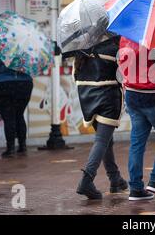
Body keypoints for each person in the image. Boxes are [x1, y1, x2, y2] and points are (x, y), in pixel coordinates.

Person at [118, 37, 155, 201]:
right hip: (154, 95)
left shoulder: (125, 37)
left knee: (137, 142)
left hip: (131, 93)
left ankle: (136, 189)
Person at [68, 35, 128, 200]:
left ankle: (115, 178)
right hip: (108, 97)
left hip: (87, 98)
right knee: (102, 140)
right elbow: (123, 75)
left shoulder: (82, 49)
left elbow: (75, 76)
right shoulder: (115, 47)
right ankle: (86, 180)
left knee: (106, 140)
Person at [0, 51, 33, 158]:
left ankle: (10, 148)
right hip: (24, 85)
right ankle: (22, 146)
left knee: (9, 116)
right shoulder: (26, 51)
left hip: (3, 85)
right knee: (19, 115)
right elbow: (32, 69)